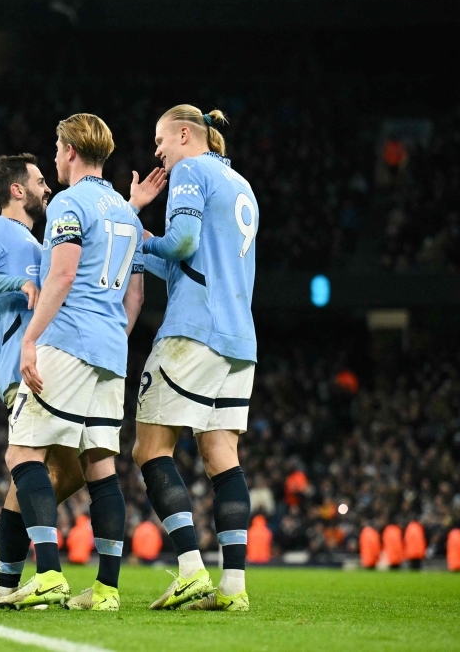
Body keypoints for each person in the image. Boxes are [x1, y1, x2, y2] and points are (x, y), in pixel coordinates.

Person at [0, 113, 146, 611]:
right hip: (110, 351)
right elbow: (135, 298)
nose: (55, 156)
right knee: (100, 466)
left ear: (72, 152)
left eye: (57, 148)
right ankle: (105, 589)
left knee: (23, 454)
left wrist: (30, 340)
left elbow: (60, 276)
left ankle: (51, 575)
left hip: (68, 341)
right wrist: (111, 336)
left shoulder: (68, 202)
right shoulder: (127, 212)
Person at [131, 105, 259, 613]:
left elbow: (181, 242)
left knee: (149, 449)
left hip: (194, 330)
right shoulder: (241, 185)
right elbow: (193, 260)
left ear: (185, 134)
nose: (158, 151)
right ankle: (233, 586)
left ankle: (189, 570)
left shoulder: (189, 170)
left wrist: (144, 239)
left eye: (161, 140)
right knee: (221, 455)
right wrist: (149, 249)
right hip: (239, 339)